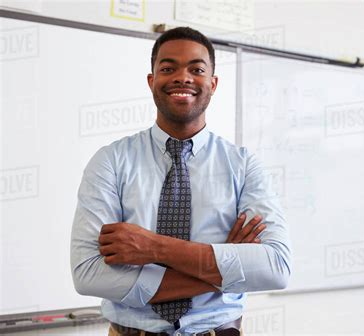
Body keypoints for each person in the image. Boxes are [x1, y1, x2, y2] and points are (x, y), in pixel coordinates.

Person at [71, 27, 291, 336]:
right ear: (152, 81)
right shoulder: (110, 161)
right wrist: (225, 264)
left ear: (212, 84)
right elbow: (89, 275)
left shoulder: (243, 166)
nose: (182, 77)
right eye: (168, 68)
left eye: (197, 69)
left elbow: (275, 268)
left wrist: (154, 248)